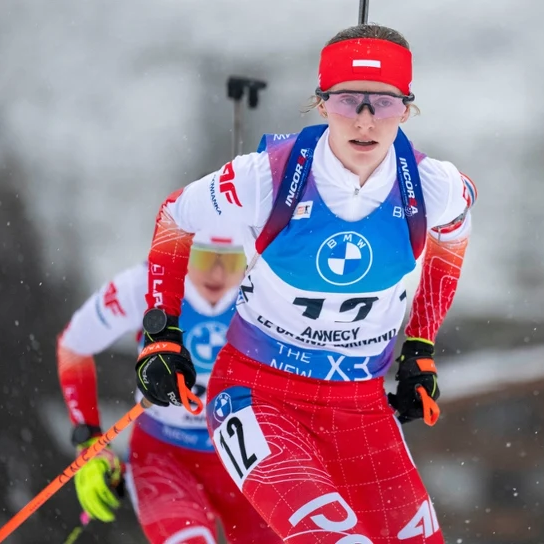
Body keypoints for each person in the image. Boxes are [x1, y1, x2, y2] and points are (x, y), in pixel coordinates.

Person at [134, 23, 476, 544]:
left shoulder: (436, 188)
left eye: (383, 103)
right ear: (321, 103)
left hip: (360, 406)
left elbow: (453, 240)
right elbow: (175, 217)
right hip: (258, 396)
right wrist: (162, 334)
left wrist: (420, 348)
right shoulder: (264, 177)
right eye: (347, 101)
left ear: (406, 109)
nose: (365, 120)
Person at [56, 231, 281, 543]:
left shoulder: (271, 289)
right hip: (164, 456)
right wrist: (89, 441)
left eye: (231, 262)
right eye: (204, 258)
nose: (217, 274)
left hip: (248, 455)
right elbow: (73, 346)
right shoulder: (144, 286)